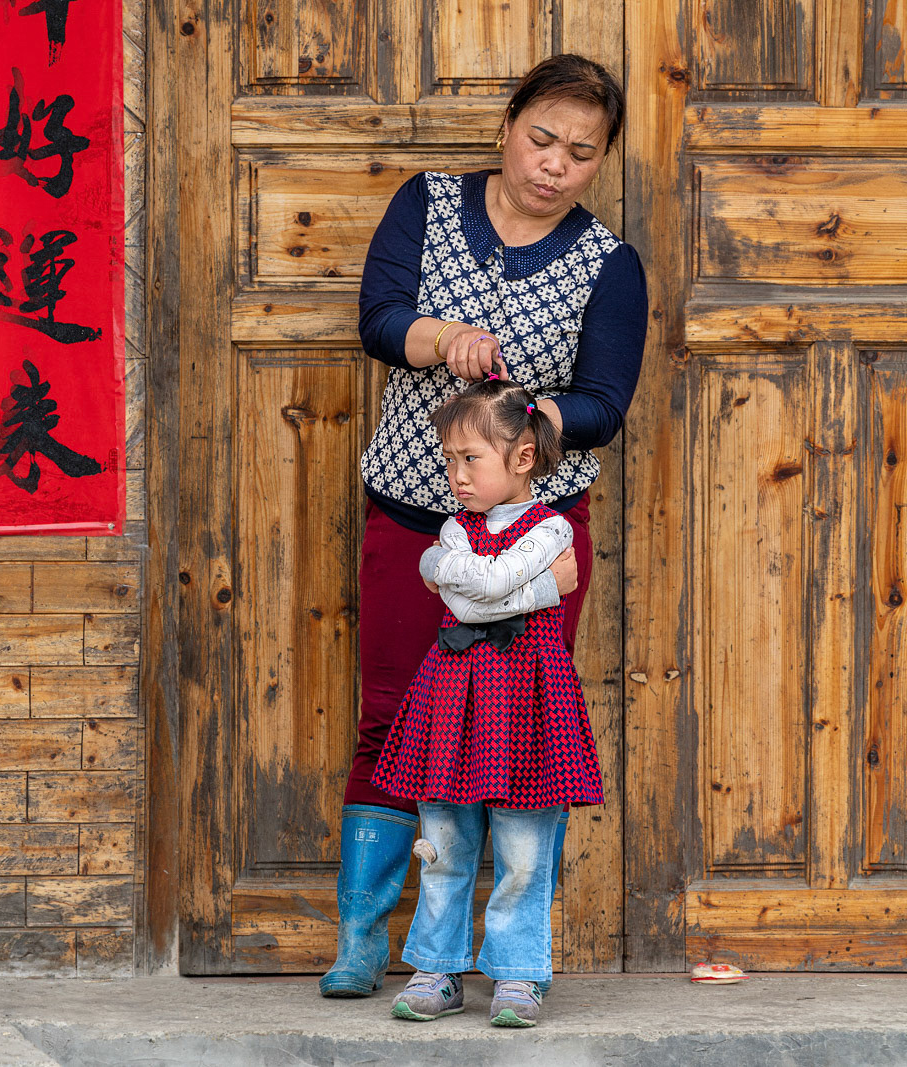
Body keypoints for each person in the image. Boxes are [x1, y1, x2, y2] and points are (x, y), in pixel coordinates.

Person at [321, 51, 645, 1000]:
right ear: (508, 127)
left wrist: (530, 420)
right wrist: (442, 340)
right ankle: (364, 940)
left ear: (599, 163)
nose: (555, 164)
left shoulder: (608, 264)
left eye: (581, 154)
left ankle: (509, 964)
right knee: (393, 716)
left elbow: (606, 402)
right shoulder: (427, 203)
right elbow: (379, 318)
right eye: (542, 138)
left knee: (518, 737)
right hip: (412, 518)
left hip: (535, 534)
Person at [376, 378, 604, 1027]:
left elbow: (488, 584)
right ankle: (437, 970)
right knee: (444, 839)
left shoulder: (551, 526)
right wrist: (542, 590)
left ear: (523, 457)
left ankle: (518, 973)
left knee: (524, 848)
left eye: (469, 458)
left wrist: (459, 573)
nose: (455, 473)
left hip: (528, 695)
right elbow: (465, 603)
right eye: (448, 458)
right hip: (451, 694)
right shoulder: (453, 528)